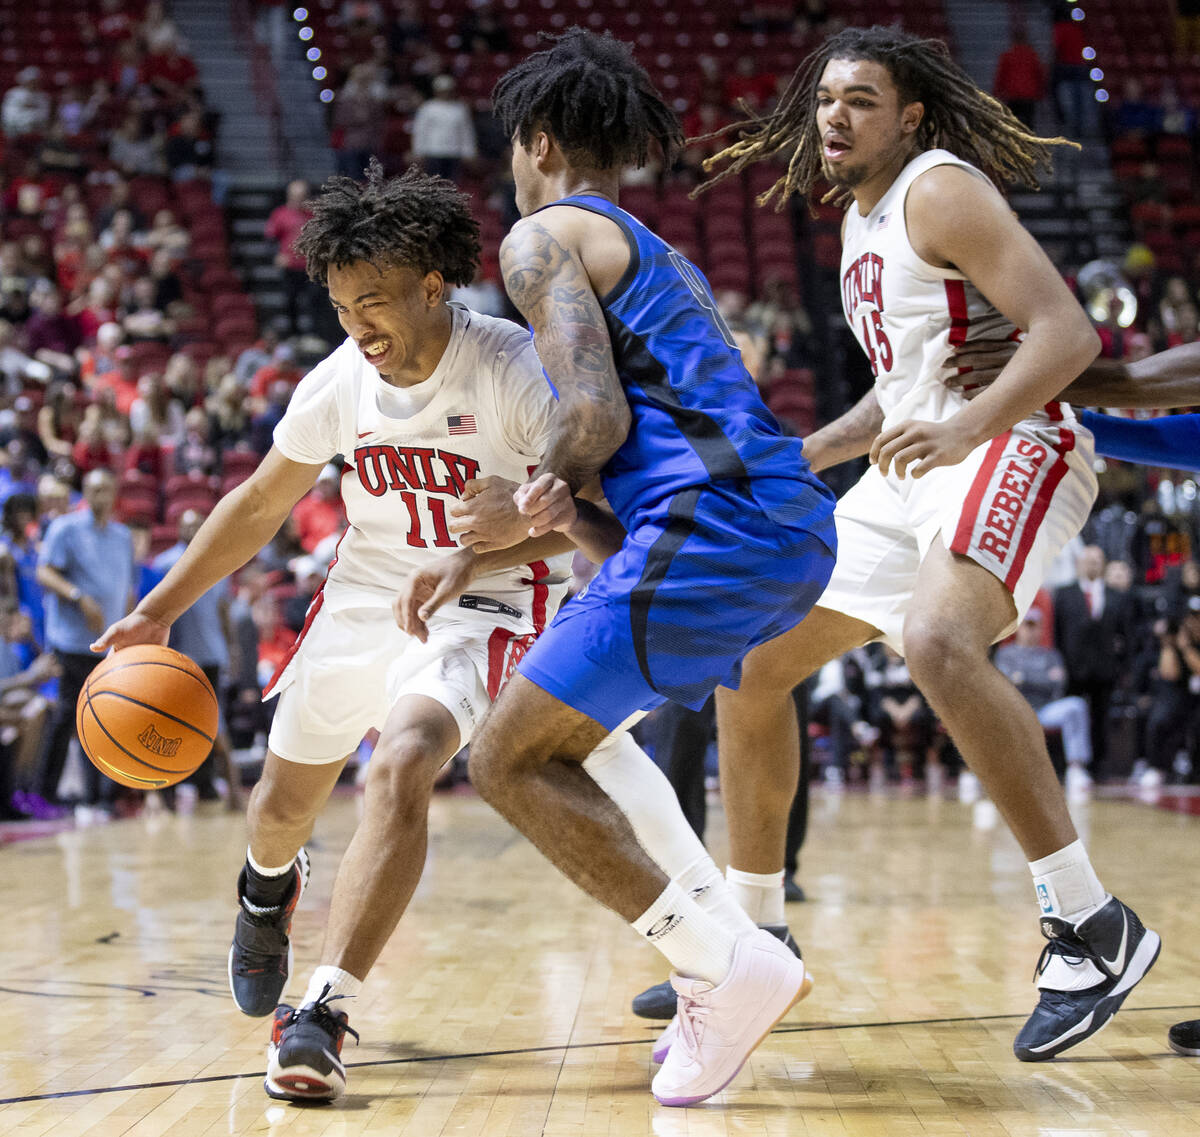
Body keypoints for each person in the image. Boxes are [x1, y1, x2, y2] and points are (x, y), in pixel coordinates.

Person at [91, 164, 755, 1104]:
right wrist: (161, 605)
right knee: (280, 805)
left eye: (374, 302)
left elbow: (596, 517)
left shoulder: (516, 369)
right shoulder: (339, 382)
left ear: (433, 286)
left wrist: (517, 528)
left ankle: (322, 1008)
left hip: (489, 598)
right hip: (365, 591)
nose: (357, 326)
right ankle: (266, 888)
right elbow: (257, 504)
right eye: (340, 306)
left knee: (402, 758)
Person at [686, 24, 1159, 1064]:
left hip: (1016, 441)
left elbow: (1067, 335)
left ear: (909, 116)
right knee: (753, 662)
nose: (835, 117)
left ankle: (1089, 923)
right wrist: (802, 455)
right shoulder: (862, 223)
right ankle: (752, 934)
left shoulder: (939, 189)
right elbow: (901, 392)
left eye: (860, 99)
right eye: (824, 101)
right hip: (918, 468)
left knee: (937, 641)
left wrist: (966, 426)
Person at [446, 29, 837, 1107]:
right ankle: (729, 956)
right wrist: (566, 515)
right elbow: (641, 443)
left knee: (506, 759)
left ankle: (727, 962)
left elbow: (594, 415)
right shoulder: (670, 260)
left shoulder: (539, 238)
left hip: (718, 527)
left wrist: (535, 477)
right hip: (778, 524)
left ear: (533, 138)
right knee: (581, 736)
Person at [29, 469, 134, 819]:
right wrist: (78, 596)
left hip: (108, 644)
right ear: (85, 493)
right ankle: (44, 793)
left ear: (115, 491)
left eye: (106, 488)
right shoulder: (66, 529)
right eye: (93, 489)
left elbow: (127, 589)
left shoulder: (122, 537)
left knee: (103, 719)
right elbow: (44, 572)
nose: (99, 494)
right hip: (71, 643)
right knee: (65, 718)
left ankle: (98, 796)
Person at [148, 509, 238, 806]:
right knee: (171, 724)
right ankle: (164, 792)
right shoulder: (163, 564)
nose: (191, 530)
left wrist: (233, 648)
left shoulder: (218, 560)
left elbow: (224, 611)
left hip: (211, 655)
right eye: (186, 526)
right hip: (177, 657)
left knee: (213, 725)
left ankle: (219, 789)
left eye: (196, 525)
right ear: (177, 529)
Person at [1052, 545, 1135, 777]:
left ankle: (1099, 767)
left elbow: (1126, 634)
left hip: (1104, 669)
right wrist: (1058, 663)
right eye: (1088, 559)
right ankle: (1068, 765)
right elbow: (1057, 632)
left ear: (1104, 564)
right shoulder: (1065, 593)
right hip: (1072, 668)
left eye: (1098, 560)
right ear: (1079, 563)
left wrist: (1124, 668)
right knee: (1070, 715)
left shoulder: (1116, 595)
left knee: (1101, 718)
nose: (1092, 564)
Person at [995, 609, 1093, 793]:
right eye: (1027, 626)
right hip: (1018, 711)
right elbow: (1006, 683)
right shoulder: (1006, 654)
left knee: (1076, 706)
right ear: (1018, 628)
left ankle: (1076, 768)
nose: (1031, 631)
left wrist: (1024, 678)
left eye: (1035, 627)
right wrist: (1043, 678)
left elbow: (1058, 684)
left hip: (1046, 709)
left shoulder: (1051, 655)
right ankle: (989, 771)